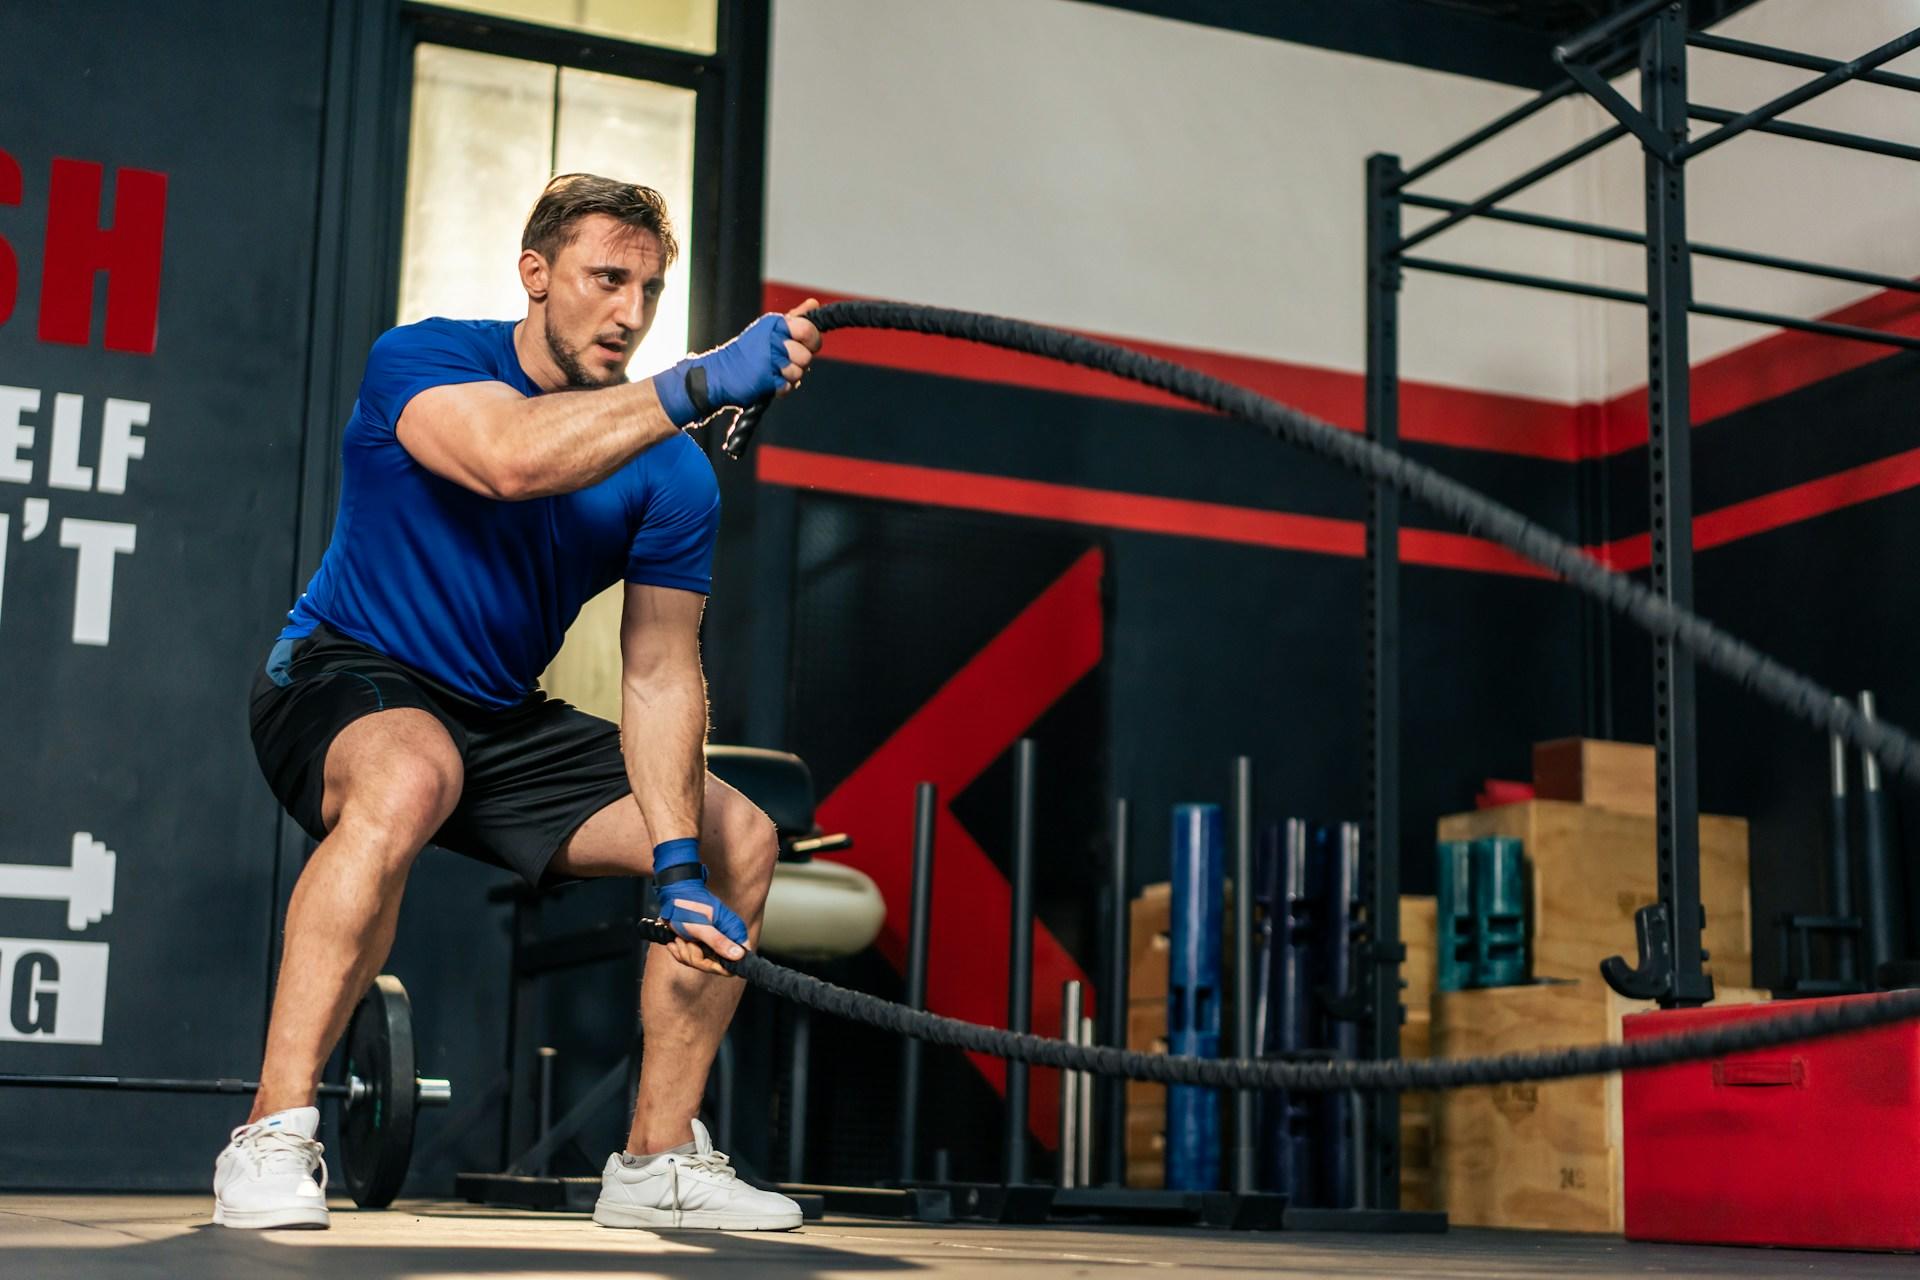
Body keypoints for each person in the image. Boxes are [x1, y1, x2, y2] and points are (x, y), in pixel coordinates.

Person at [226, 173, 820, 1231]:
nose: (630, 311)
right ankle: (272, 1131)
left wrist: (678, 860)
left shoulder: (672, 476)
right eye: (606, 279)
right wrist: (695, 381)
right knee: (414, 772)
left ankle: (654, 1162)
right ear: (535, 275)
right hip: (343, 671)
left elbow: (660, 672)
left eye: (650, 288)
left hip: (499, 716)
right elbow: (511, 460)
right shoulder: (423, 359)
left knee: (739, 836)